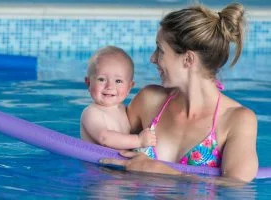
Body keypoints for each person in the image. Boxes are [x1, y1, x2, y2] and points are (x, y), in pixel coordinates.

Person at [100, 3, 258, 183]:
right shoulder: (148, 101)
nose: (152, 58)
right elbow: (104, 146)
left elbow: (236, 186)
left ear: (188, 59)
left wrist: (158, 170)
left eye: (160, 50)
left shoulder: (237, 120)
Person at [81, 46, 156, 150]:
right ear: (88, 83)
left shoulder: (123, 110)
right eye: (102, 79)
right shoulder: (91, 113)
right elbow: (104, 138)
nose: (110, 86)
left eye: (118, 81)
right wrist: (139, 140)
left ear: (129, 87)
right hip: (98, 165)